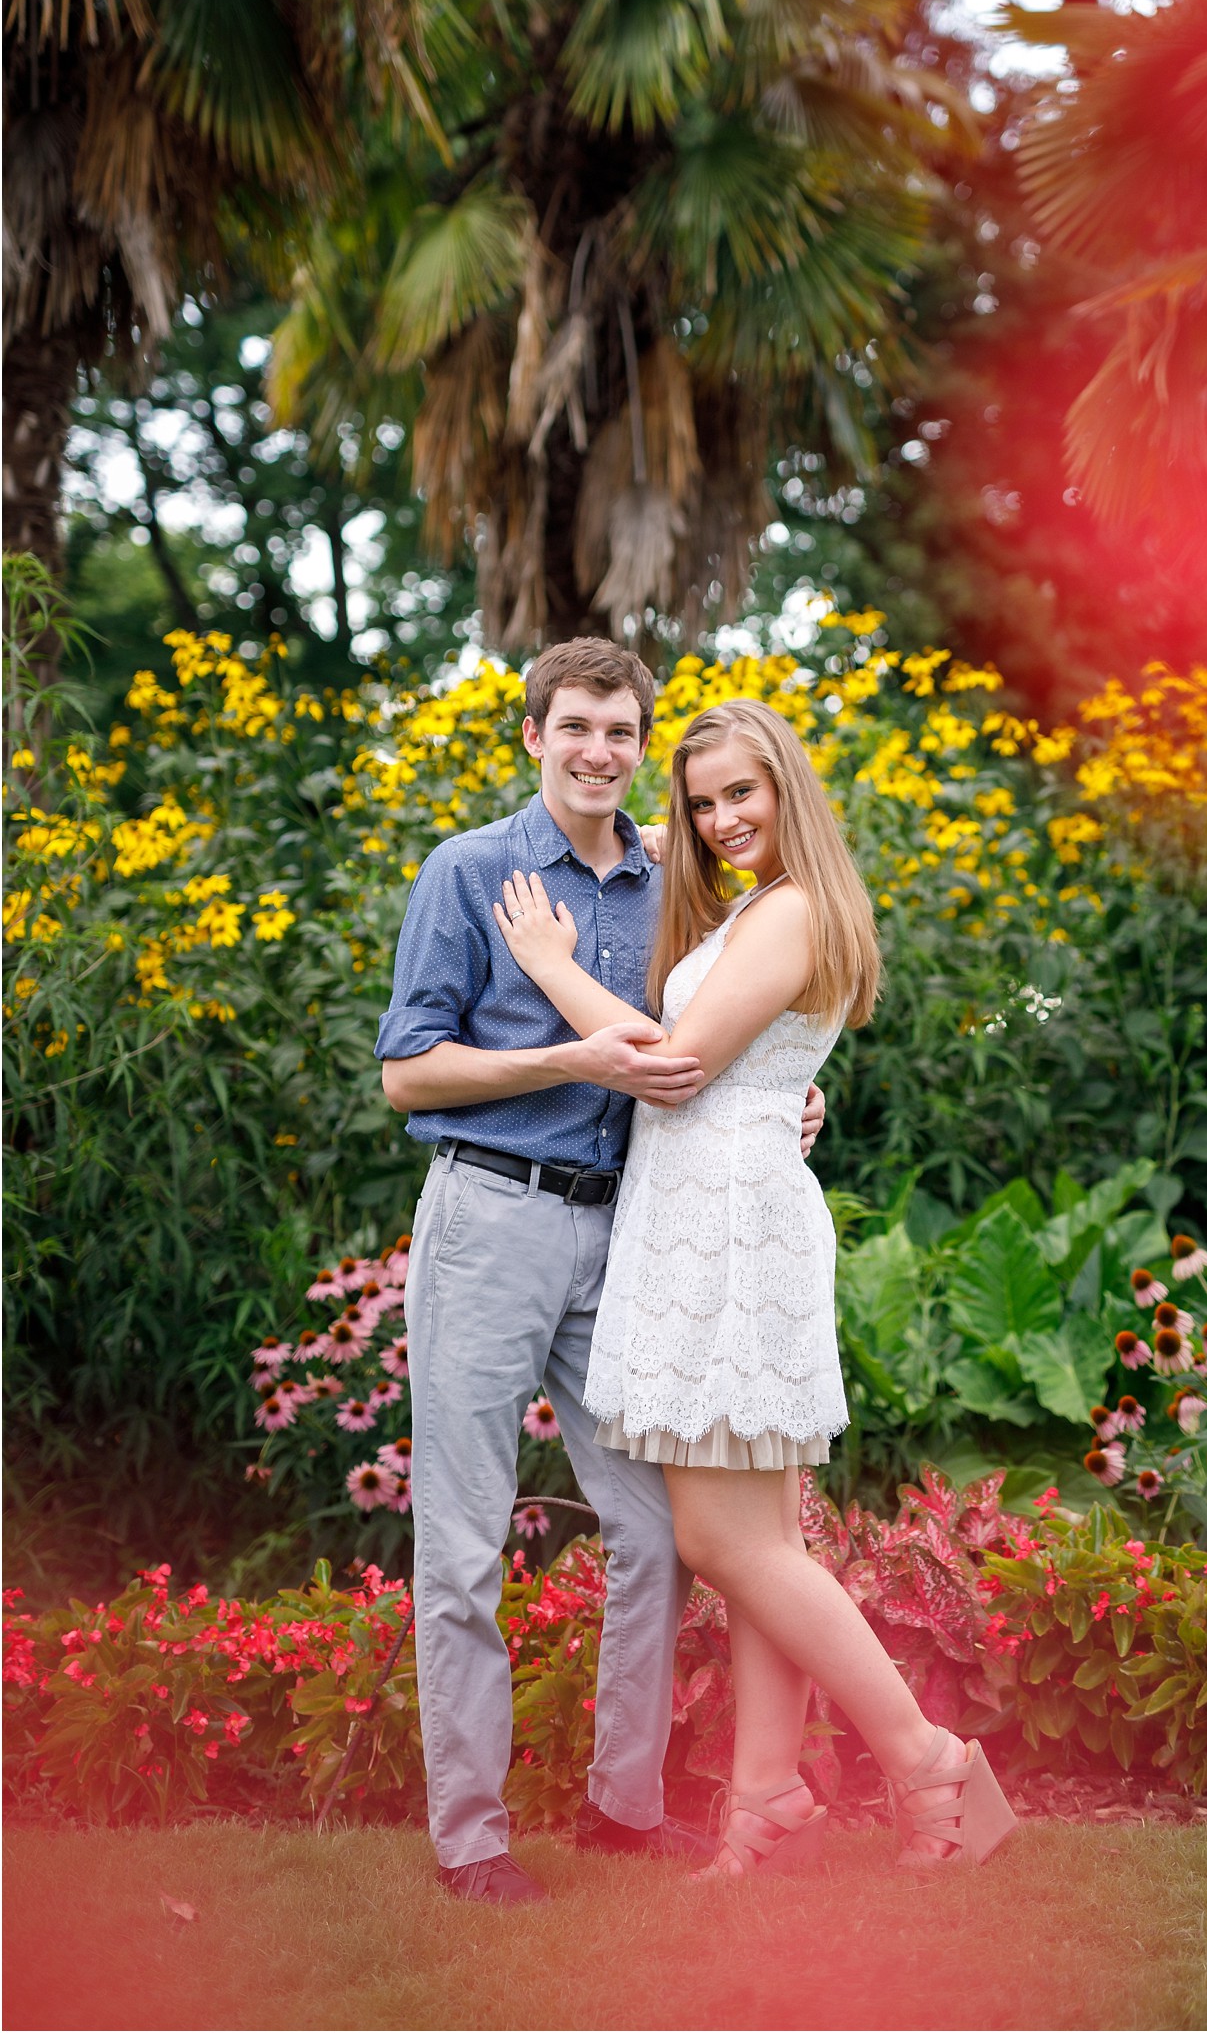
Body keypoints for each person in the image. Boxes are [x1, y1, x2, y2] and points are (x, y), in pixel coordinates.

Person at [491, 697, 1018, 1876]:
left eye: (745, 792)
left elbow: (672, 1071)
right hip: (715, 1202)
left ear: (790, 787)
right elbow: (740, 1043)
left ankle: (928, 1758)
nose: (722, 817)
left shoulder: (793, 910)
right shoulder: (761, 905)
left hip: (724, 1222)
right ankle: (767, 1799)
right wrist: (678, 838)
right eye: (703, 799)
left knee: (725, 1543)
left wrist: (550, 966)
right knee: (763, 1539)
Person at [375, 639, 827, 1904]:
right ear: (533, 733)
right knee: (462, 1543)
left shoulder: (667, 877)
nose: (599, 752)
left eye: (622, 733)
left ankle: (622, 1808)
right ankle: (472, 1840)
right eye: (576, 726)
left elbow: (714, 1029)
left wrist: (791, 1094)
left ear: (643, 744)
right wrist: (564, 1062)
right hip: (490, 1219)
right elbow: (409, 1075)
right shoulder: (470, 873)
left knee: (658, 1532)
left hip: (624, 1230)